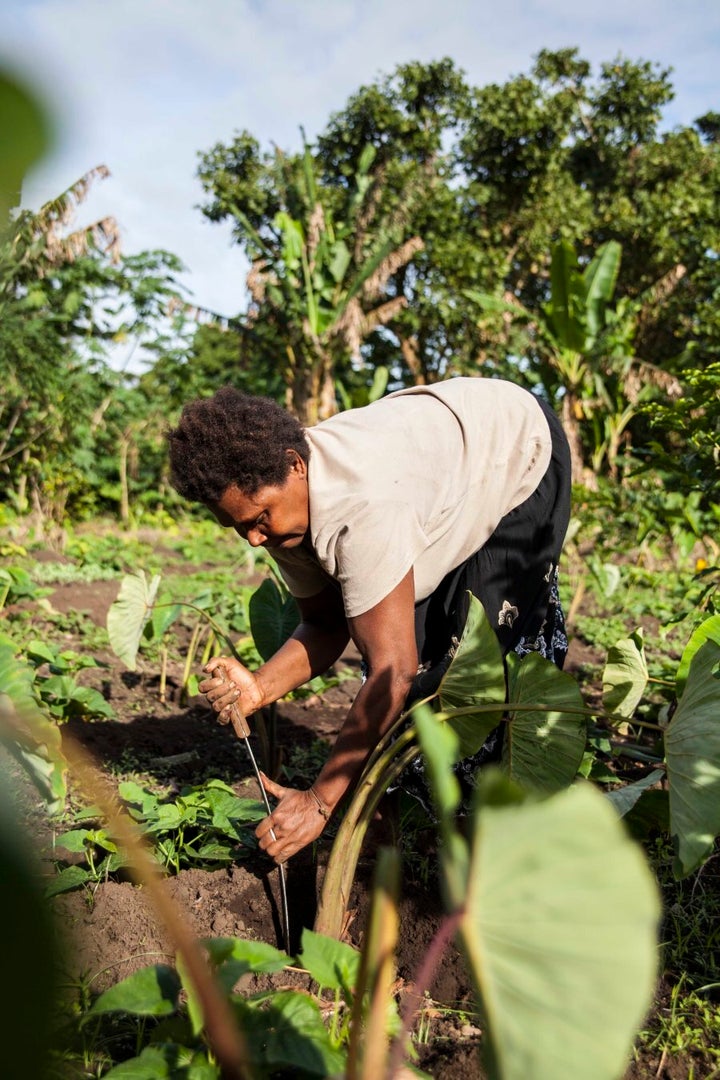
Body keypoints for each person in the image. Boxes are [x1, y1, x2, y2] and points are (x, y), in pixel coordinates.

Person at [167, 377, 571, 864]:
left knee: (471, 663)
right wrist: (258, 687)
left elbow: (392, 670)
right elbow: (325, 625)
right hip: (432, 476)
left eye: (259, 519)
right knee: (412, 665)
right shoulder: (285, 519)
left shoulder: (361, 509)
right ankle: (399, 836)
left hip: (514, 448)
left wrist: (320, 802)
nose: (254, 539)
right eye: (238, 528)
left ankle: (487, 847)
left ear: (296, 467)